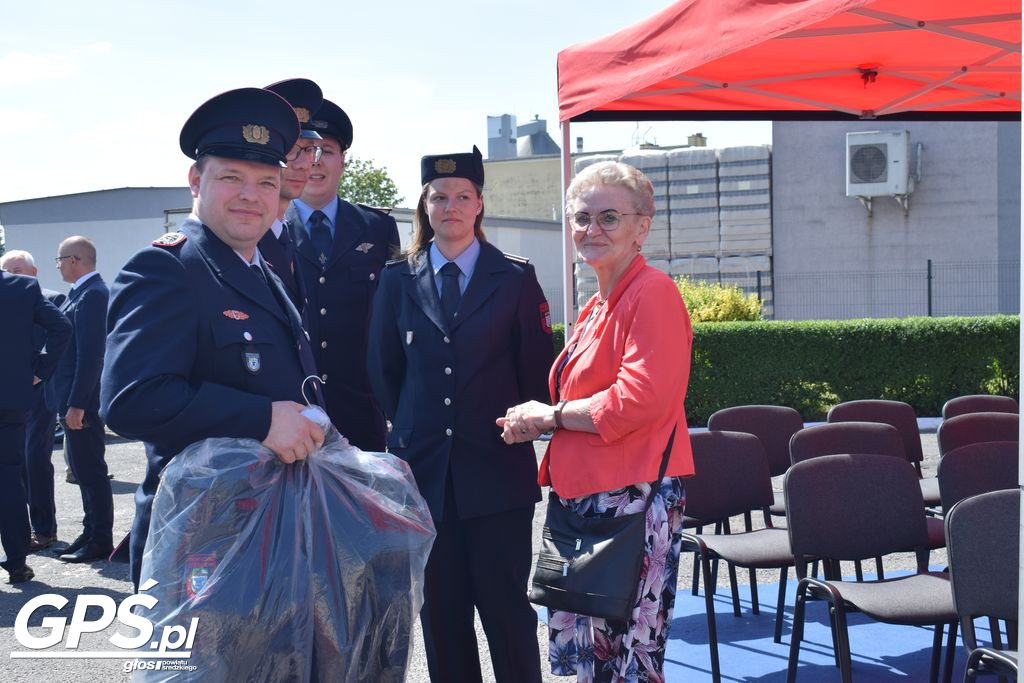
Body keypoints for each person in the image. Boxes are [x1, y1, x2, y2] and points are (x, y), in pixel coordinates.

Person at [100, 87, 326, 590]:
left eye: (266, 181)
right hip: (197, 543)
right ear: (194, 181)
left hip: (270, 531)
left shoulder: (261, 270)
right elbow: (130, 400)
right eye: (231, 178)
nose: (251, 195)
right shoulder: (165, 267)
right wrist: (262, 419)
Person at [499, 160, 695, 682]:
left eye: (609, 216)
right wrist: (538, 419)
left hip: (629, 502)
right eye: (582, 218)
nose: (593, 230)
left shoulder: (651, 292)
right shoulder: (596, 305)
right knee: (592, 662)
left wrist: (551, 416)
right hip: (588, 503)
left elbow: (640, 399)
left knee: (624, 659)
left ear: (642, 226)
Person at [368, 145, 553, 683]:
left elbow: (535, 373)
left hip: (496, 470)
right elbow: (384, 372)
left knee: (506, 613)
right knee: (442, 617)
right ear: (424, 206)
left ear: (479, 206)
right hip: (425, 477)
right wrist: (417, 430)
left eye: (462, 196)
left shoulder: (515, 278)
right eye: (439, 197)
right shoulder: (398, 278)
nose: (450, 206)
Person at [287, 97, 399, 451]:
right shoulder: (264, 228)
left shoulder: (378, 228)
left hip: (361, 415)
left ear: (344, 161)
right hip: (290, 416)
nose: (315, 163)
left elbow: (393, 321)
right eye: (305, 150)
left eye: (327, 151)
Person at [0, 266, 71, 582]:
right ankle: (16, 562)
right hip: (10, 397)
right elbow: (61, 327)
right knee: (8, 477)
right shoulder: (23, 287)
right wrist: (41, 369)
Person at [46, 236, 114, 563]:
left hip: (80, 403)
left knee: (91, 470)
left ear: (74, 260)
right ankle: (89, 532)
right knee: (83, 470)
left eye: (59, 260)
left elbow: (91, 357)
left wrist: (78, 404)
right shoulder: (80, 295)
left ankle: (100, 539)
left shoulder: (93, 295)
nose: (57, 266)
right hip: (71, 400)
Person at [257, 78, 323, 309]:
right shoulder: (243, 238)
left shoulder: (287, 233)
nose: (305, 164)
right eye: (293, 149)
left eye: (310, 150)